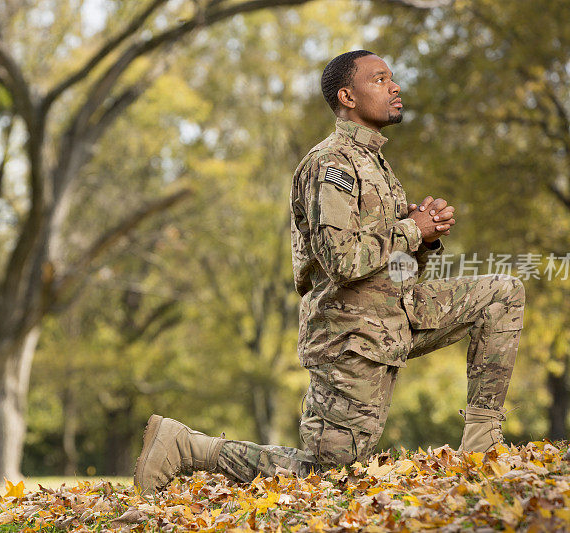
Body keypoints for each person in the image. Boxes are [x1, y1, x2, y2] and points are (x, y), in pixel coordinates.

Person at [133, 50, 525, 494]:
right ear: (347, 96)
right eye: (380, 80)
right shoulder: (330, 164)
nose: (394, 87)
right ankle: (187, 447)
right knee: (330, 476)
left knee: (502, 293)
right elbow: (342, 261)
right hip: (349, 336)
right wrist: (409, 229)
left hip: (398, 316)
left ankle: (481, 445)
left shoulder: (375, 163)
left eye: (392, 79)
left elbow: (395, 271)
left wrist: (424, 239)